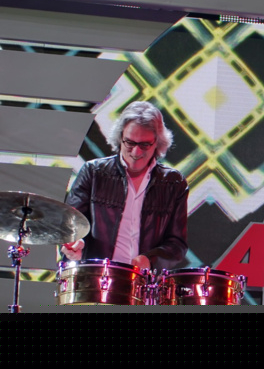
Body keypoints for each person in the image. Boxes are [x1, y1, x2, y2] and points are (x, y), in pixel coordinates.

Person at [61, 101, 188, 271]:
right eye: (130, 143)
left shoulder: (173, 182)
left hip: (144, 281)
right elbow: (71, 223)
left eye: (144, 145)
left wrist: (150, 260)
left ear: (157, 142)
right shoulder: (94, 172)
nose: (136, 152)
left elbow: (177, 244)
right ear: (120, 137)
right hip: (96, 276)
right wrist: (77, 244)